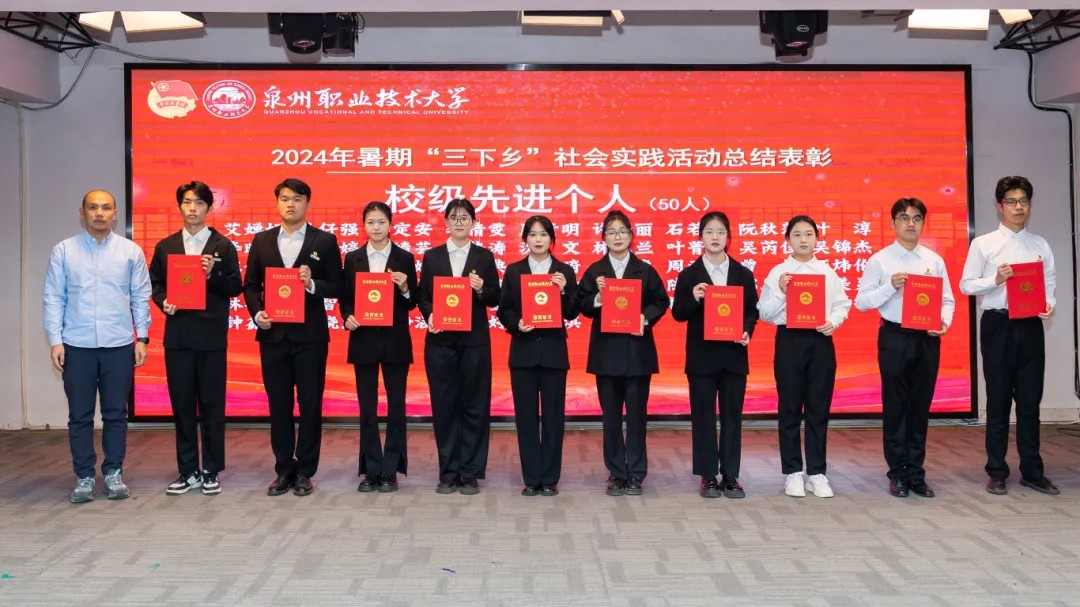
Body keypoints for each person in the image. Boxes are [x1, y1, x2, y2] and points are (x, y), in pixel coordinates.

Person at [43, 189, 152, 503]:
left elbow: (140, 297)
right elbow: (53, 297)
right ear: (82, 212)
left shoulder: (130, 252)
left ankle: (114, 472)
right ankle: (84, 476)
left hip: (119, 345)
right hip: (76, 345)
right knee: (80, 415)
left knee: (116, 414)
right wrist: (55, 341)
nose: (100, 213)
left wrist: (142, 337)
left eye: (106, 208)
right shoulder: (64, 251)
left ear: (115, 214)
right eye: (93, 207)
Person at [242, 178, 343, 497]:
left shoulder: (324, 241)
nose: (290, 204)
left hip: (310, 338)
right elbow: (251, 285)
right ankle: (284, 469)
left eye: (297, 199)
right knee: (279, 405)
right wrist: (258, 313)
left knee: (310, 404)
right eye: (285, 198)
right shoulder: (262, 240)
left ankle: (305, 471)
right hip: (273, 336)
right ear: (277, 203)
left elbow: (338, 286)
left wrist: (312, 284)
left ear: (307, 204)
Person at [960, 176, 1058, 496]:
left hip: (1030, 326)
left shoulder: (1040, 244)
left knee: (1030, 401)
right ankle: (997, 471)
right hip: (998, 324)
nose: (1019, 207)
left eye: (1024, 201)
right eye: (1012, 201)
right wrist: (995, 280)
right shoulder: (983, 244)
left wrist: (1048, 304)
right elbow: (966, 285)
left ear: (1030, 205)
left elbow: (1050, 283)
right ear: (1000, 206)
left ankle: (1032, 471)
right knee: (999, 399)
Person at [854, 198, 954, 499]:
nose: (911, 223)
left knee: (920, 407)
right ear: (892, 223)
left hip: (927, 338)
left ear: (923, 223)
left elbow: (947, 300)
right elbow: (862, 302)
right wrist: (890, 286)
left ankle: (916, 473)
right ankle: (897, 472)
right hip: (895, 337)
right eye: (904, 217)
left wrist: (944, 321)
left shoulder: (934, 260)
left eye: (917, 218)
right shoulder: (880, 260)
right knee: (896, 406)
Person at [148, 181, 242, 496]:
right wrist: (163, 302)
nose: (193, 208)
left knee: (213, 407)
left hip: (211, 337)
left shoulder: (222, 246)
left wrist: (213, 273)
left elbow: (235, 287)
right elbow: (155, 284)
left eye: (199, 203)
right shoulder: (166, 246)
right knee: (183, 406)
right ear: (180, 206)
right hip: (179, 337)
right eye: (188, 202)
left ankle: (211, 469)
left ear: (209, 208)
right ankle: (187, 470)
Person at [758, 215, 851, 498]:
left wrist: (833, 321)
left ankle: (817, 473)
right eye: (797, 234)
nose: (803, 239)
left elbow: (842, 303)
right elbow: (765, 312)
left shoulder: (827, 271)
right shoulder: (778, 272)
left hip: (820, 341)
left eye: (808, 234)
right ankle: (793, 472)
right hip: (789, 340)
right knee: (789, 408)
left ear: (817, 239)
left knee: (818, 409)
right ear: (787, 240)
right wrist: (782, 292)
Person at [578, 210, 669, 496]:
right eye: (611, 232)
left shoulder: (645, 270)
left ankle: (637, 472)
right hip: (606, 353)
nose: (617, 237)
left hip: (637, 353)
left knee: (637, 417)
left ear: (631, 236)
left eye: (622, 232)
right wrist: (597, 297)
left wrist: (644, 317)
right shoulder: (595, 271)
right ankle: (616, 472)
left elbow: (661, 301)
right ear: (603, 238)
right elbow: (581, 304)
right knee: (611, 417)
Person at [671, 211, 758, 499]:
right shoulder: (689, 275)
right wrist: (694, 298)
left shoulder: (743, 274)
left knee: (732, 417)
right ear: (701, 237)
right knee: (703, 417)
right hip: (702, 358)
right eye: (709, 232)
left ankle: (731, 475)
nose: (715, 237)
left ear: (728, 237)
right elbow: (678, 313)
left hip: (733, 356)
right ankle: (708, 474)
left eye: (720, 232)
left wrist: (746, 330)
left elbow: (751, 311)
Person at [417, 198, 501, 495]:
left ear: (473, 222)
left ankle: (470, 471)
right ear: (446, 222)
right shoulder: (432, 256)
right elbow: (423, 295)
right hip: (440, 342)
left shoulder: (484, 256)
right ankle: (448, 471)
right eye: (454, 217)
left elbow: (495, 297)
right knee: (444, 406)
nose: (459, 222)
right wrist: (430, 315)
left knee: (474, 406)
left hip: (474, 342)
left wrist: (481, 290)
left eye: (465, 218)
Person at [497, 215, 579, 496]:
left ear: (552, 239)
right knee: (526, 417)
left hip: (554, 353)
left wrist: (564, 289)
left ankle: (550, 478)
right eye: (532, 234)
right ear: (525, 240)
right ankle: (532, 478)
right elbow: (504, 310)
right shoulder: (514, 271)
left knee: (554, 417)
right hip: (523, 353)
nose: (538, 239)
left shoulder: (564, 270)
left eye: (543, 234)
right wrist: (516, 323)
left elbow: (572, 312)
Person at [340, 201, 417, 493]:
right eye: (371, 222)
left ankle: (391, 469)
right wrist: (348, 316)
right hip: (363, 340)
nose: (376, 227)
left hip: (395, 341)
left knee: (396, 407)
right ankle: (371, 470)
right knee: (367, 408)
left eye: (381, 222)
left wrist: (405, 287)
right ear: (364, 225)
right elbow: (345, 297)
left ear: (390, 225)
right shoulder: (353, 258)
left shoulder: (404, 258)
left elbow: (412, 302)